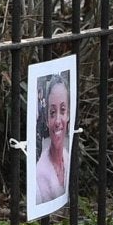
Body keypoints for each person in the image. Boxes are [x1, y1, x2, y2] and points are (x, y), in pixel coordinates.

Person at [32, 71, 71, 208]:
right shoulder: (40, 173)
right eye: (53, 113)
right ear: (47, 120)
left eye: (63, 110)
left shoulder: (67, 156)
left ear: (69, 115)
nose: (58, 121)